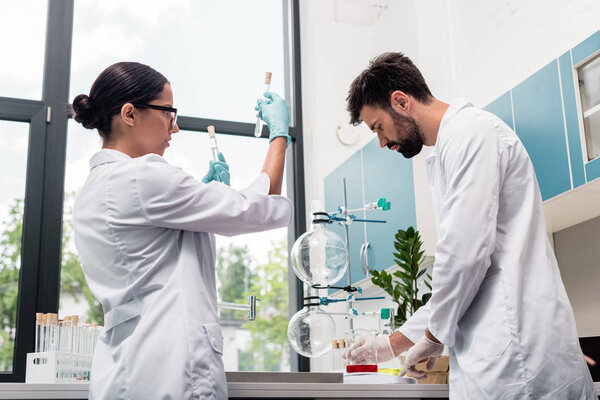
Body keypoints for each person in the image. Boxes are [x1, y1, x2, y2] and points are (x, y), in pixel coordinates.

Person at [344, 53, 596, 399]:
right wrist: (391, 345)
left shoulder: (470, 133)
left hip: (521, 363)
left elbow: (465, 256)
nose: (383, 142)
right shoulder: (450, 148)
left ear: (400, 101)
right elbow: (458, 274)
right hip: (498, 361)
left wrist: (431, 339)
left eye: (378, 127)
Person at [71, 61, 293, 399]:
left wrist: (200, 207)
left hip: (122, 368)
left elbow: (152, 257)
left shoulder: (93, 190)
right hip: (170, 367)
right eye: (168, 113)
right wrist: (279, 134)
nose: (174, 129)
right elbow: (256, 209)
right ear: (130, 114)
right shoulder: (142, 176)